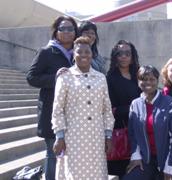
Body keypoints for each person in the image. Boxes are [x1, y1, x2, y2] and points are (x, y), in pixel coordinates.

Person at [51, 36, 115, 179]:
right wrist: (59, 136)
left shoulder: (100, 78)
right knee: (74, 174)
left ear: (92, 54)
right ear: (74, 54)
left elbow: (107, 110)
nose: (84, 55)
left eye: (87, 52)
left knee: (96, 174)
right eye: (80, 52)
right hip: (73, 138)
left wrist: (108, 136)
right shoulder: (65, 77)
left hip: (96, 138)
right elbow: (58, 109)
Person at [26, 15, 78, 180]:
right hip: (51, 113)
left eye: (71, 29)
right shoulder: (47, 52)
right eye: (63, 28)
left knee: (71, 157)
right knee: (54, 154)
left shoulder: (78, 54)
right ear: (56, 32)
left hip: (74, 114)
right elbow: (31, 77)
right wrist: (55, 78)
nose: (67, 32)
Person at [122, 65, 172, 180]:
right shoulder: (135, 104)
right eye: (144, 79)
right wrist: (135, 156)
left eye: (152, 79)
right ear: (138, 81)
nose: (148, 82)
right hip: (147, 159)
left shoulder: (170, 103)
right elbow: (133, 134)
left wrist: (170, 166)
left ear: (158, 81)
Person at [106, 40, 141, 179]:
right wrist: (134, 107)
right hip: (123, 133)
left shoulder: (139, 76)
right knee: (126, 174)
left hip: (141, 130)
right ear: (115, 56)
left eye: (128, 53)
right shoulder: (109, 79)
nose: (124, 56)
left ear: (133, 56)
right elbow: (110, 109)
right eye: (120, 53)